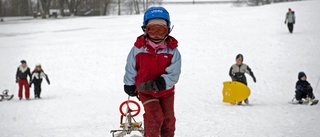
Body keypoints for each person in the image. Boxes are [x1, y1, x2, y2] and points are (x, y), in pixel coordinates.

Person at [123, 6, 181, 137]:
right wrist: (129, 83)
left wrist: (159, 83)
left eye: (161, 30)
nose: (156, 34)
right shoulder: (138, 49)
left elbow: (174, 73)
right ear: (145, 29)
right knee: (155, 116)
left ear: (168, 31)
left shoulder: (172, 51)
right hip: (146, 91)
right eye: (152, 30)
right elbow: (131, 67)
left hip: (166, 92)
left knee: (168, 120)